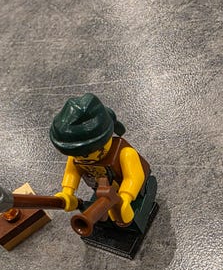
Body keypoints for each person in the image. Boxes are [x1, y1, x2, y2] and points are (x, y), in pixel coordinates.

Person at [50, 93, 157, 236]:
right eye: (76, 154)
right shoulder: (77, 157)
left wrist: (125, 198)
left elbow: (134, 177)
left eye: (86, 153)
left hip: (130, 193)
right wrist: (67, 193)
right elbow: (72, 172)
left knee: (122, 215)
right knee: (104, 215)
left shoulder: (125, 153)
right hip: (103, 191)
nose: (81, 158)